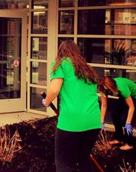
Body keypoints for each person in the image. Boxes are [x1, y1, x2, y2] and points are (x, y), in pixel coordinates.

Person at [42, 41, 100, 171]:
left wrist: (47, 101)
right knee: (83, 158)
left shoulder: (61, 64)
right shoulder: (87, 68)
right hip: (93, 121)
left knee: (64, 163)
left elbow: (54, 90)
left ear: (60, 52)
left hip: (71, 122)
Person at [99, 76, 136, 151]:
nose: (108, 92)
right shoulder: (103, 89)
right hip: (125, 96)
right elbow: (104, 106)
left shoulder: (121, 88)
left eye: (109, 90)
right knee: (114, 114)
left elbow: (131, 107)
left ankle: (129, 144)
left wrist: (128, 123)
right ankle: (119, 139)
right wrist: (101, 121)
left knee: (124, 118)